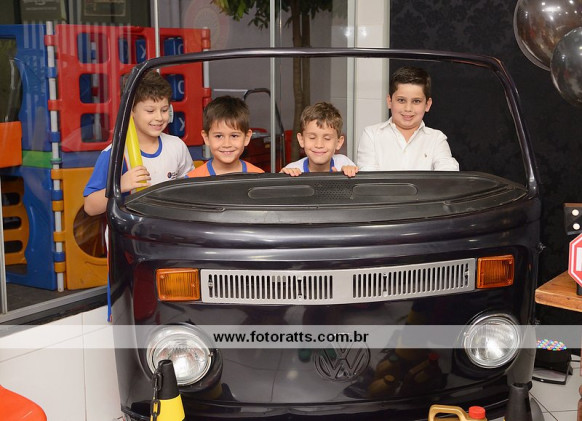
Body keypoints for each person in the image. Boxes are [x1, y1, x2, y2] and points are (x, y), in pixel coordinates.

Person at [83, 70, 193, 215]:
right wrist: (120, 185)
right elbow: (90, 207)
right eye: (150, 111)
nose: (159, 117)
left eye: (164, 110)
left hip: (167, 225)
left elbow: (189, 190)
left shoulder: (177, 146)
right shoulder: (114, 154)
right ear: (131, 111)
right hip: (131, 228)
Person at [356, 66, 459, 171]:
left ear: (427, 105)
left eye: (416, 101)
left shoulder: (436, 139)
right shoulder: (371, 135)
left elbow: (448, 172)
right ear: (389, 101)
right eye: (401, 100)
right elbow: (369, 176)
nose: (408, 108)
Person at [187, 96, 264, 177]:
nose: (226, 144)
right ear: (206, 138)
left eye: (234, 136)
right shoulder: (193, 179)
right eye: (218, 136)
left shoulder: (259, 177)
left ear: (246, 137)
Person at [281, 101, 358, 177]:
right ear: (301, 140)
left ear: (339, 142)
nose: (319, 145)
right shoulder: (292, 171)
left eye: (327, 138)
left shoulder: (344, 164)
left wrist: (347, 179)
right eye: (312, 138)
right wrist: (283, 178)